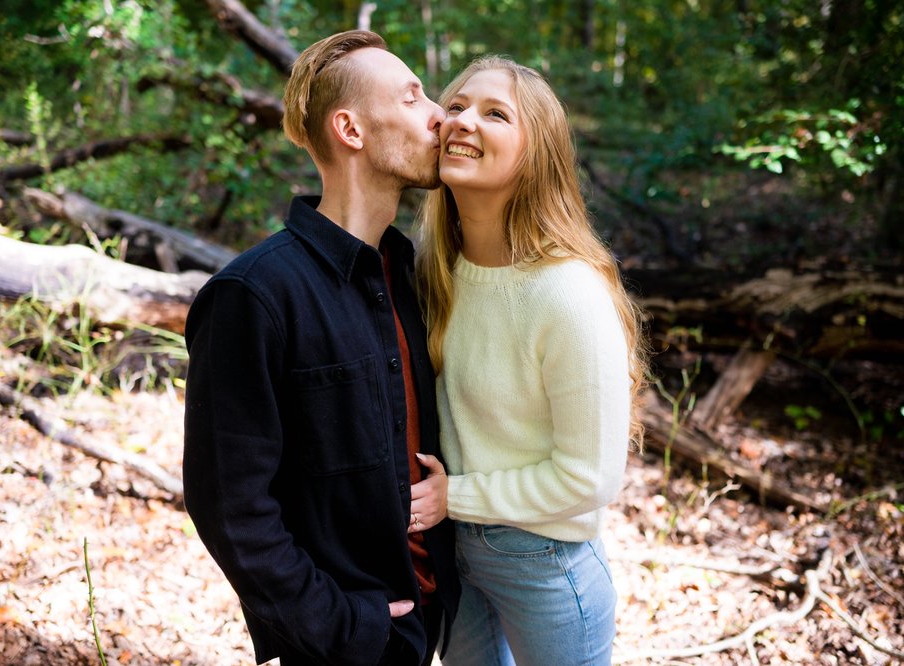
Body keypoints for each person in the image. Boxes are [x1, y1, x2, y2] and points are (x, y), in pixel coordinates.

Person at [183, 30, 459, 666]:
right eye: (413, 97)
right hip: (347, 642)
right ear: (351, 130)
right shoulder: (253, 295)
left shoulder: (412, 276)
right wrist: (339, 626)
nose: (440, 115)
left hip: (430, 626)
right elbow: (230, 506)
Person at [409, 56, 647, 666]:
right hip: (449, 550)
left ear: (536, 153)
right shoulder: (433, 270)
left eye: (495, 113)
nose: (463, 121)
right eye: (456, 106)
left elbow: (591, 478)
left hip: (544, 564)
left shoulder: (567, 294)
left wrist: (452, 498)